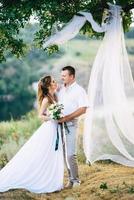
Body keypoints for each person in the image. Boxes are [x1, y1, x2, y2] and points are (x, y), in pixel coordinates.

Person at [0, 75, 64, 193]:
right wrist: (52, 118)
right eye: (53, 81)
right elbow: (40, 115)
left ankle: (52, 179)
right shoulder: (46, 99)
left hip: (55, 128)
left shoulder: (53, 96)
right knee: (45, 152)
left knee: (53, 153)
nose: (56, 83)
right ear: (49, 85)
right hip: (50, 128)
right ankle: (43, 180)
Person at [58, 66, 89, 188]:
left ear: (72, 76)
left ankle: (76, 180)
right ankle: (70, 179)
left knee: (71, 154)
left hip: (71, 124)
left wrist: (67, 118)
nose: (62, 77)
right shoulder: (61, 90)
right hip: (59, 125)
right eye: (62, 75)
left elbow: (83, 108)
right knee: (64, 153)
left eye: (64, 75)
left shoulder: (79, 90)